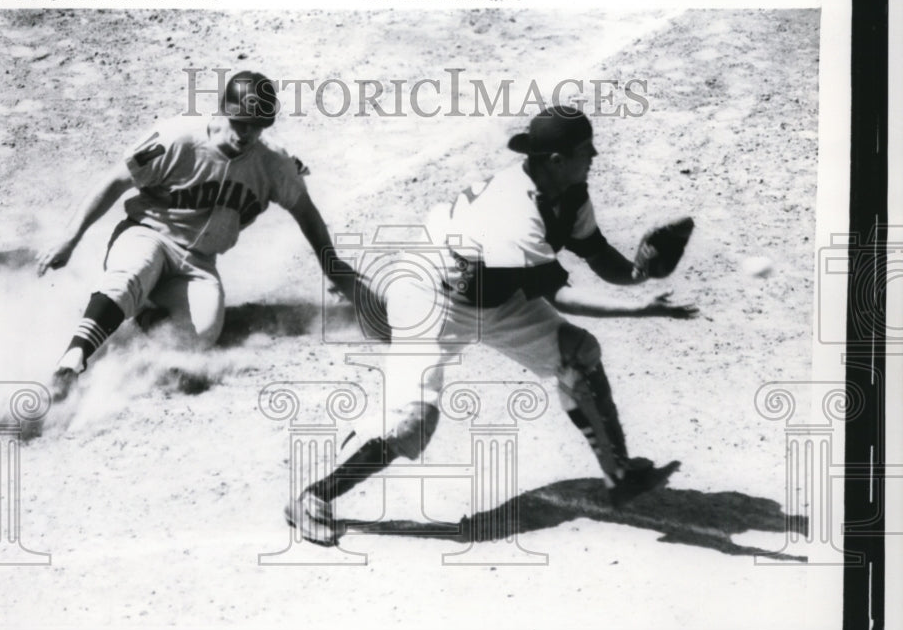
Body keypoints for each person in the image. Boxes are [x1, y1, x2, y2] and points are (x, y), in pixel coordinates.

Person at [286, 105, 697, 546]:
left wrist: (636, 274)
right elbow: (559, 296)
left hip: (498, 295)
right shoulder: (515, 211)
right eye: (585, 150)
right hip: (431, 299)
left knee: (579, 352)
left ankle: (620, 473)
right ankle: (313, 498)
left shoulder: (569, 192)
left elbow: (596, 253)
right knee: (412, 423)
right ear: (557, 160)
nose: (594, 155)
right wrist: (639, 310)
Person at [37, 70, 365, 401]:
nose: (247, 132)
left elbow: (306, 212)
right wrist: (71, 237)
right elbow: (115, 181)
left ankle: (144, 314)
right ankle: (70, 363)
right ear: (223, 111)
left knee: (202, 334)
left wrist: (332, 265)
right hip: (147, 234)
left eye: (257, 124)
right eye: (240, 121)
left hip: (198, 264)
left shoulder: (273, 163)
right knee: (131, 276)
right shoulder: (177, 138)